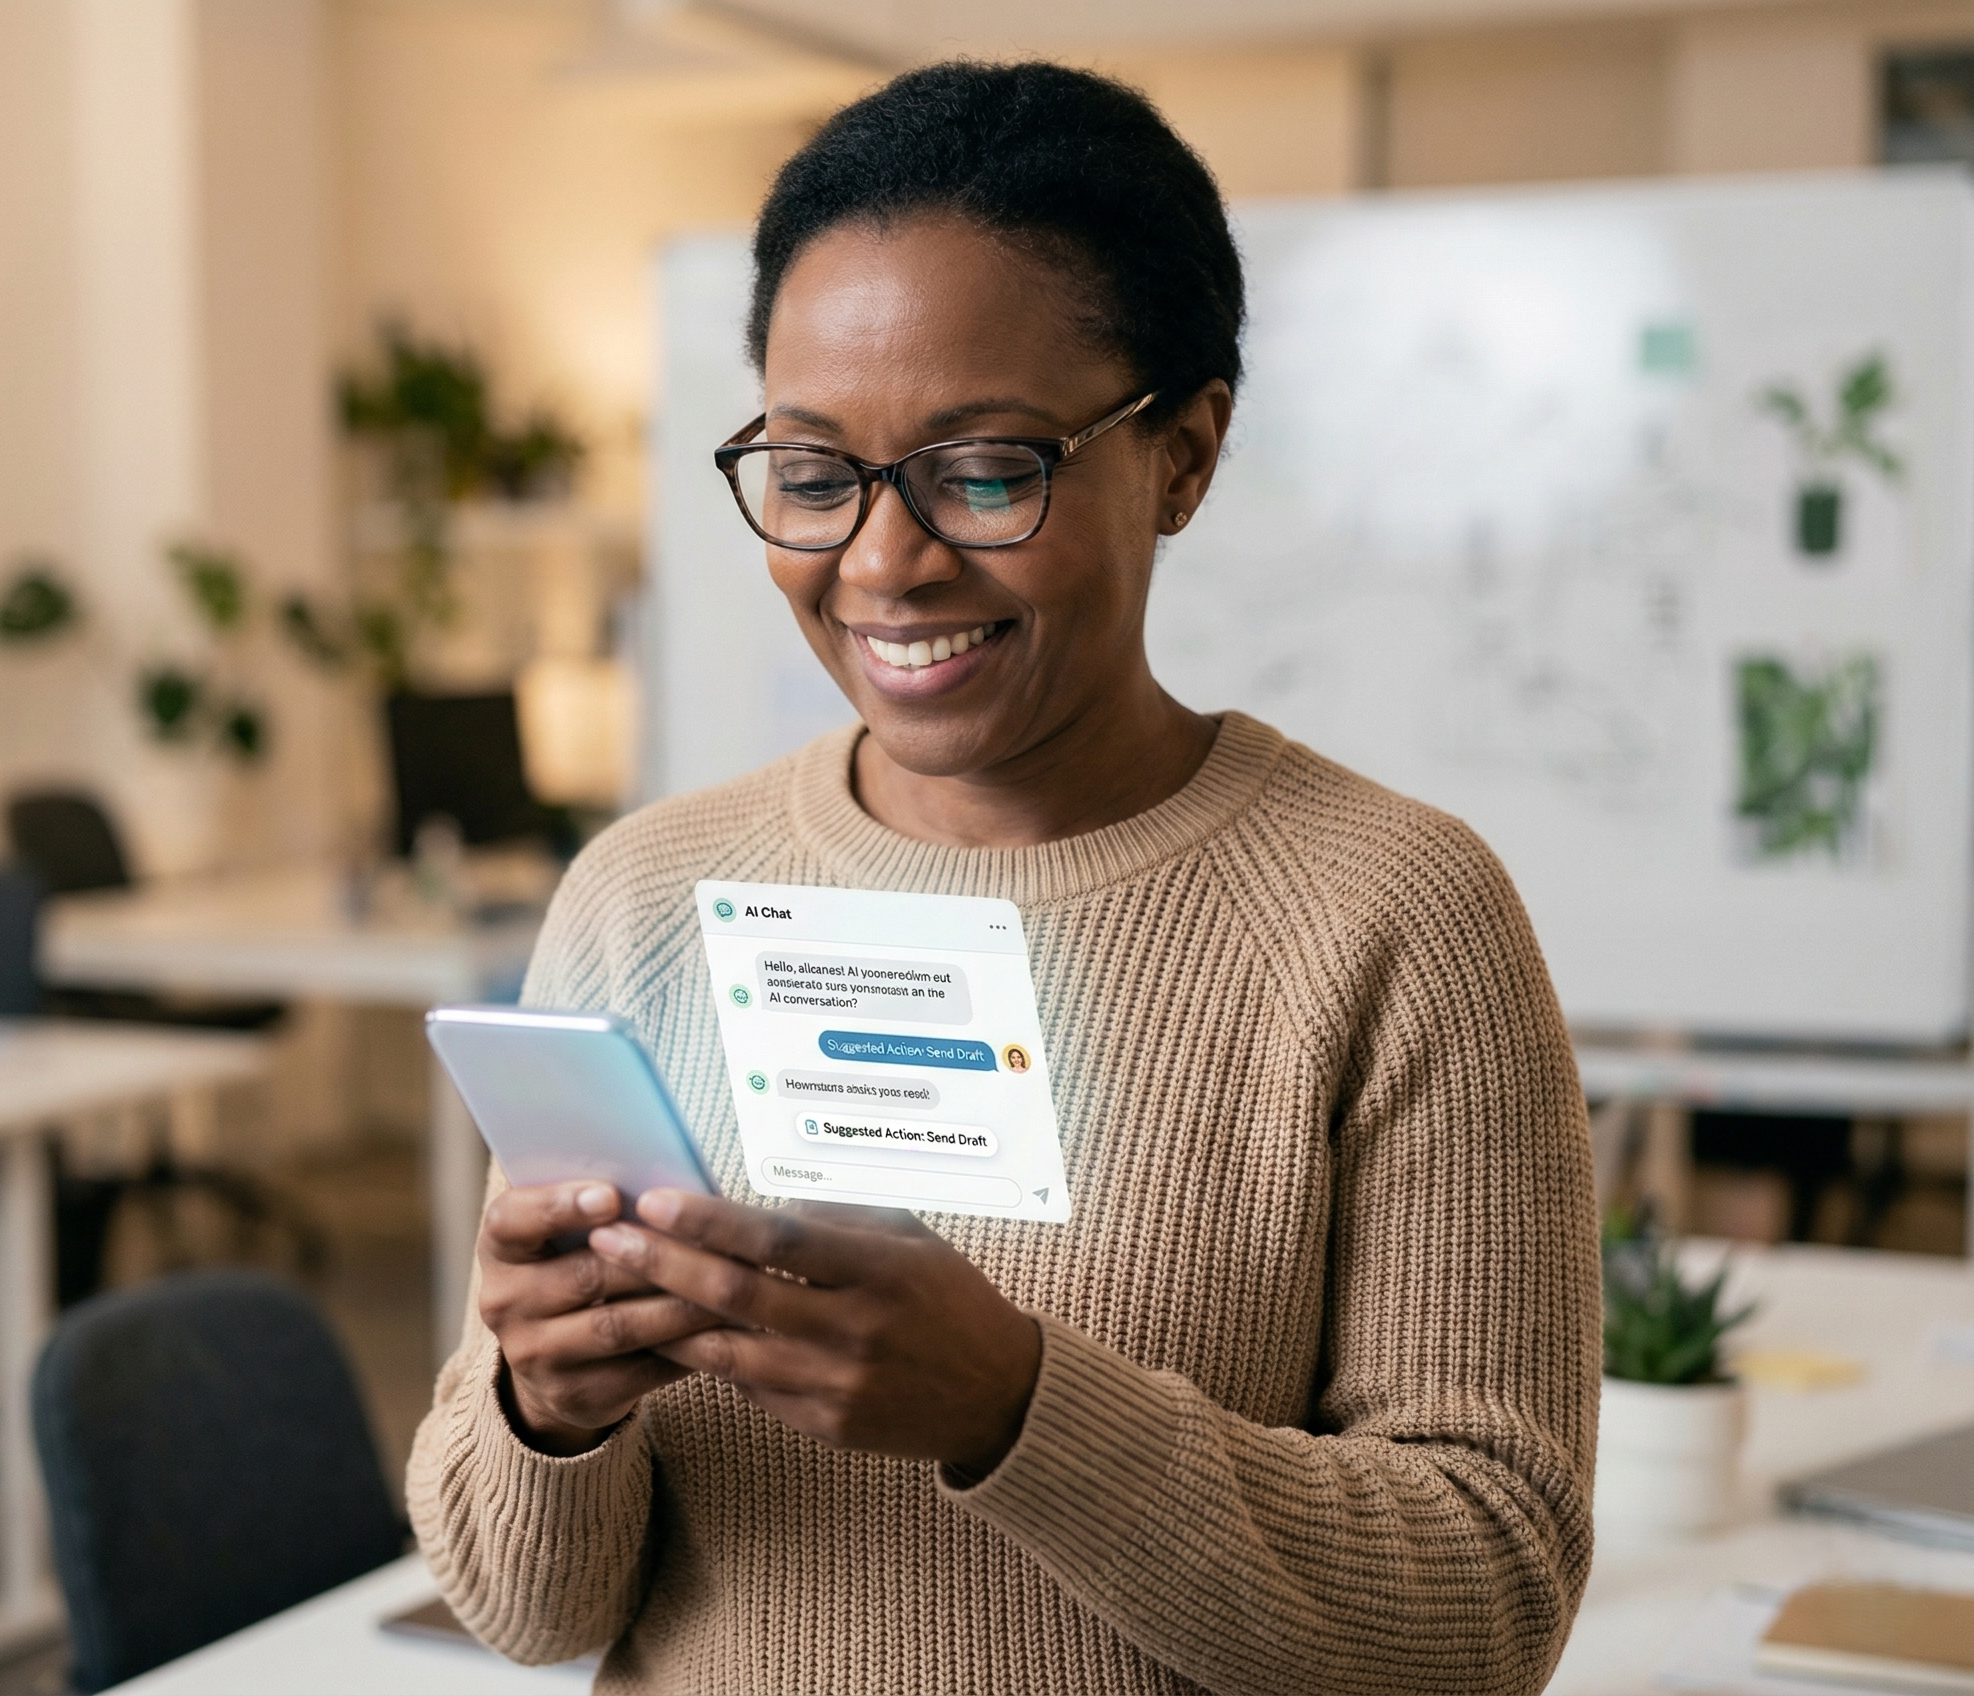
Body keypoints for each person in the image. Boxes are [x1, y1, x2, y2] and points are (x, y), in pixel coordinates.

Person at [408, 60, 1597, 1696]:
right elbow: (525, 1614)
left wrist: (1016, 1408)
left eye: (984, 470)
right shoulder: (643, 898)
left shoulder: (1394, 917)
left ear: (1183, 455)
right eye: (816, 475)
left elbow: (1488, 1605)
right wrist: (544, 1408)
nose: (886, 564)